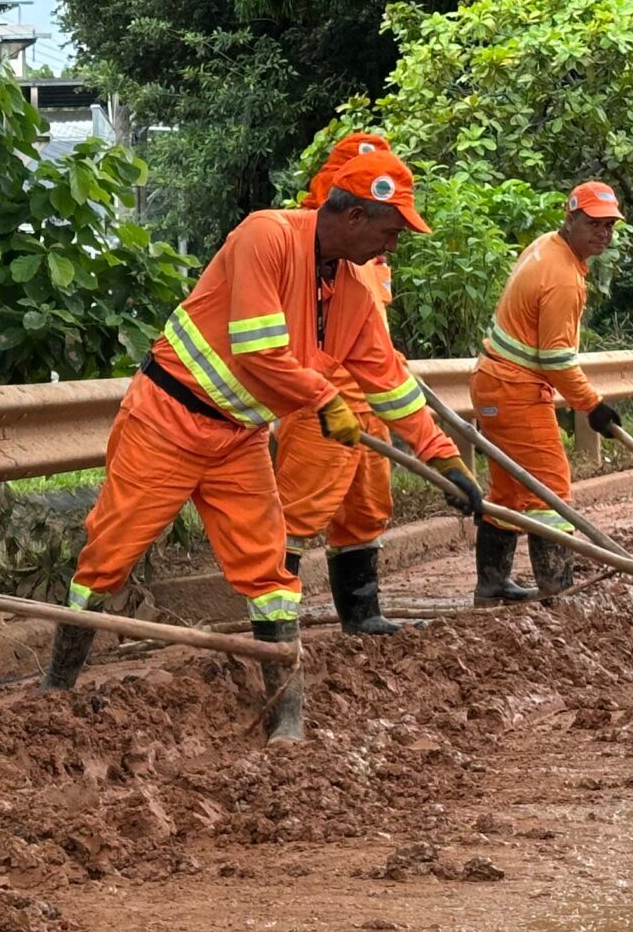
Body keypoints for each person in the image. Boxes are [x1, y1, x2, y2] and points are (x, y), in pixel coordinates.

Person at [47, 146, 456, 736]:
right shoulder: (265, 235)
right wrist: (324, 400)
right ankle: (56, 689)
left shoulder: (354, 293)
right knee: (108, 557)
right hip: (167, 421)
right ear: (355, 217)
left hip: (239, 439)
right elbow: (257, 352)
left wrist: (443, 458)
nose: (391, 247)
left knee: (270, 575)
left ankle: (286, 718)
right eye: (390, 232)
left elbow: (389, 383)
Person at [271, 131, 479, 636]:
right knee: (297, 518)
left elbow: (373, 347)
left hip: (370, 406)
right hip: (323, 410)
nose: (391, 240)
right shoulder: (303, 248)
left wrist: (440, 453)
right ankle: (274, 631)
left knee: (365, 513)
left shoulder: (368, 254)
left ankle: (362, 614)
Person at [469, 182, 625, 606]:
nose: (603, 234)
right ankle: (557, 592)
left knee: (507, 492)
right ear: (570, 218)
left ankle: (493, 585)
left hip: (493, 382)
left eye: (609, 226)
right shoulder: (563, 280)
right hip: (515, 389)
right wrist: (591, 405)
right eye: (593, 223)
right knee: (550, 492)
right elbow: (555, 359)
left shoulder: (548, 247)